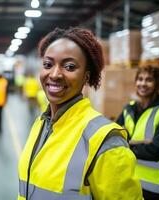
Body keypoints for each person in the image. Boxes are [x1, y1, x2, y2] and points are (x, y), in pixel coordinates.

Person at [18, 27, 143, 200]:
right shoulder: (41, 124)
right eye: (48, 64)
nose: (54, 74)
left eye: (69, 66)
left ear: (86, 76)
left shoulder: (105, 141)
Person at [117, 66, 159, 200]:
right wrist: (141, 142)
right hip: (129, 180)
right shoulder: (129, 109)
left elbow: (157, 150)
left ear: (157, 84)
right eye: (140, 79)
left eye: (149, 80)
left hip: (154, 187)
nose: (143, 84)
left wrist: (126, 144)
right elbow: (113, 139)